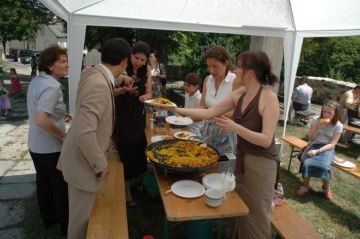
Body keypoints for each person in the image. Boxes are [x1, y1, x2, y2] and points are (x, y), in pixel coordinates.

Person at [167, 50, 280, 239]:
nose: (236, 70)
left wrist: (236, 128)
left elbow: (266, 139)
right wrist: (175, 109)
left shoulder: (269, 98)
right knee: (240, 208)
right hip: (242, 159)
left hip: (261, 164)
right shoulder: (240, 94)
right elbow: (209, 112)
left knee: (256, 214)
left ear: (250, 72)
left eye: (239, 67)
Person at [57, 38, 131, 239]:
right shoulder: (99, 84)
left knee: (82, 216)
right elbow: (85, 132)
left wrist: (122, 77)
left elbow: (109, 78)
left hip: (80, 158)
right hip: (84, 162)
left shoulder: (92, 72)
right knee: (80, 222)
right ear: (124, 60)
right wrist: (101, 165)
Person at [26, 45, 70, 235]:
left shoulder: (38, 80)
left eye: (66, 60)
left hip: (35, 145)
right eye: (62, 61)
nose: (67, 64)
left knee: (43, 183)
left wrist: (60, 113)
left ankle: (48, 218)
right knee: (60, 188)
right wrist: (63, 137)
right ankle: (66, 226)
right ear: (51, 66)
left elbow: (41, 110)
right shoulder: (52, 86)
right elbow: (41, 119)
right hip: (50, 148)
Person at [114, 41, 152, 207]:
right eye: (136, 58)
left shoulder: (147, 70)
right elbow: (109, 91)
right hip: (122, 115)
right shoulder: (121, 68)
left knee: (138, 149)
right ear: (130, 55)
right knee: (125, 152)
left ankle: (134, 182)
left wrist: (146, 97)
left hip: (137, 115)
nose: (139, 62)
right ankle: (127, 192)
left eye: (142, 60)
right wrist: (124, 90)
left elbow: (149, 92)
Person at [296, 101, 343, 201]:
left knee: (325, 167)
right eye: (324, 111)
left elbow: (332, 144)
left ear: (335, 114)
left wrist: (317, 151)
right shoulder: (315, 120)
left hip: (327, 148)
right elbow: (311, 138)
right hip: (314, 144)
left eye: (329, 113)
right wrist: (317, 127)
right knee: (307, 163)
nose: (326, 114)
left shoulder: (338, 125)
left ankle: (326, 189)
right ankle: (305, 186)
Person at [198, 45, 237, 155]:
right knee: (204, 165)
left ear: (226, 63)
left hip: (226, 135)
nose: (211, 70)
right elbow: (202, 106)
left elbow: (239, 113)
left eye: (215, 66)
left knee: (224, 169)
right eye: (208, 66)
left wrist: (214, 114)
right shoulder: (207, 80)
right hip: (207, 133)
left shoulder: (235, 81)